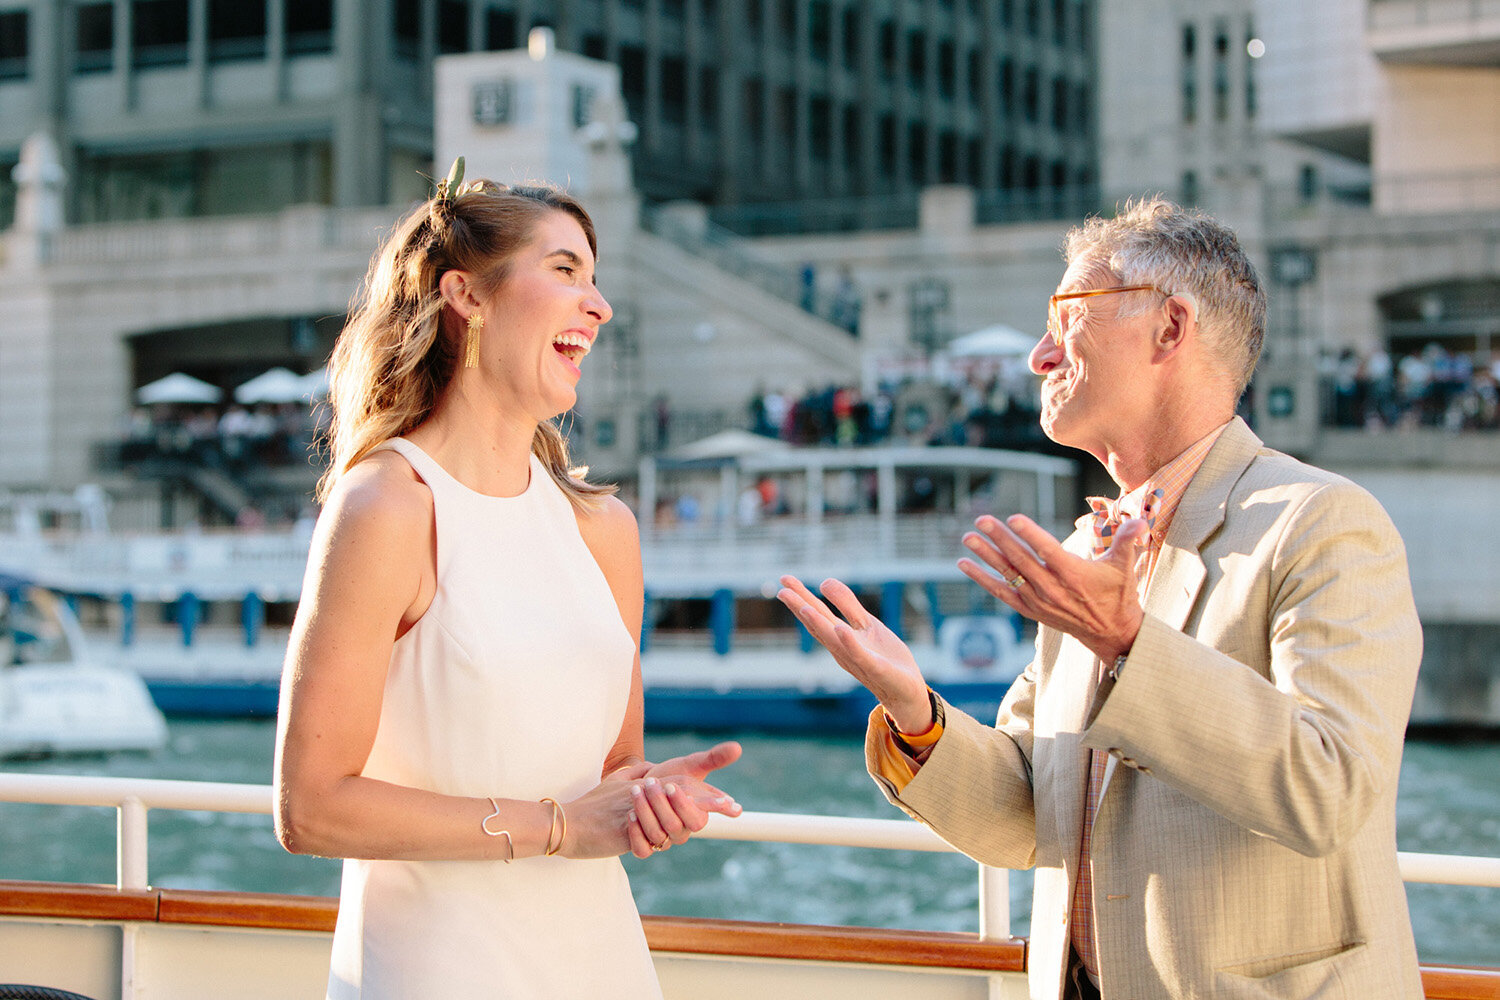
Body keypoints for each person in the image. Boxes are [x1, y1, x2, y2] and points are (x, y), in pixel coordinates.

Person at [779, 198, 1423, 999]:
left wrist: (1127, 644)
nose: (1039, 357)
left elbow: (1330, 791)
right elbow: (1025, 816)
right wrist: (915, 714)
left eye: (1066, 315)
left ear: (1170, 328)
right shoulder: (1087, 552)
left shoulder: (1322, 521)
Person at [273, 161, 742, 999]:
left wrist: (651, 800)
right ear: (469, 296)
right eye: (565, 271)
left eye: (596, 281)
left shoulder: (605, 530)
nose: (596, 305)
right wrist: (562, 828)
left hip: (596, 961)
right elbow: (311, 807)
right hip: (433, 971)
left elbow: (616, 769)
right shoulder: (387, 505)